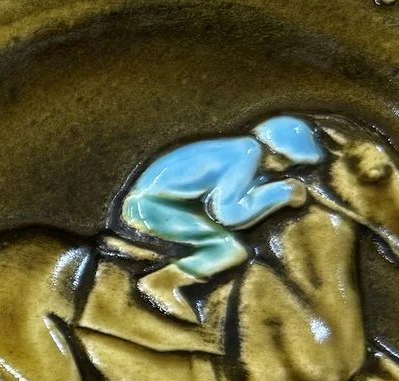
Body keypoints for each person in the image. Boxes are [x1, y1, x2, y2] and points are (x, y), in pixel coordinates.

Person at [118, 113, 328, 322]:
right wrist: (282, 192)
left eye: (291, 165)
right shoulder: (247, 153)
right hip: (150, 207)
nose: (283, 169)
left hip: (166, 202)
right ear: (271, 147)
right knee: (228, 249)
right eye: (283, 159)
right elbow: (229, 213)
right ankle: (162, 283)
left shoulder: (239, 149)